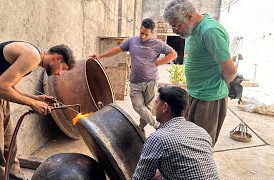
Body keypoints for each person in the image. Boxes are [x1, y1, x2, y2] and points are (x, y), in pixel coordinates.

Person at [0, 41, 75, 180]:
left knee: (10, 146)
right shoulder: (32, 56)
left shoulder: (33, 56)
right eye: (63, 69)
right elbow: (0, 87)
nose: (59, 74)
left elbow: (7, 85)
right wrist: (33, 104)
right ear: (57, 58)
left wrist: (36, 98)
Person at [163, 0, 237, 145]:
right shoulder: (192, 29)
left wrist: (214, 84)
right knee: (188, 141)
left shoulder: (210, 32)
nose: (175, 31)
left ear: (190, 16)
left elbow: (230, 71)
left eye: (176, 25)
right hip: (195, 94)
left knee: (199, 146)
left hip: (209, 99)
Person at [92, 18, 177, 131]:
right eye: (141, 33)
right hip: (135, 81)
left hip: (151, 81)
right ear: (140, 29)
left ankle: (141, 128)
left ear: (152, 33)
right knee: (137, 106)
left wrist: (159, 62)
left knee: (147, 108)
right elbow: (117, 49)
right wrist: (100, 56)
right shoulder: (132, 41)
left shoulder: (158, 44)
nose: (143, 36)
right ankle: (156, 125)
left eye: (146, 34)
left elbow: (173, 54)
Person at [133, 86, 220, 180]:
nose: (154, 107)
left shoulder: (158, 139)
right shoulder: (202, 132)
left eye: (156, 103)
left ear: (164, 107)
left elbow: (139, 178)